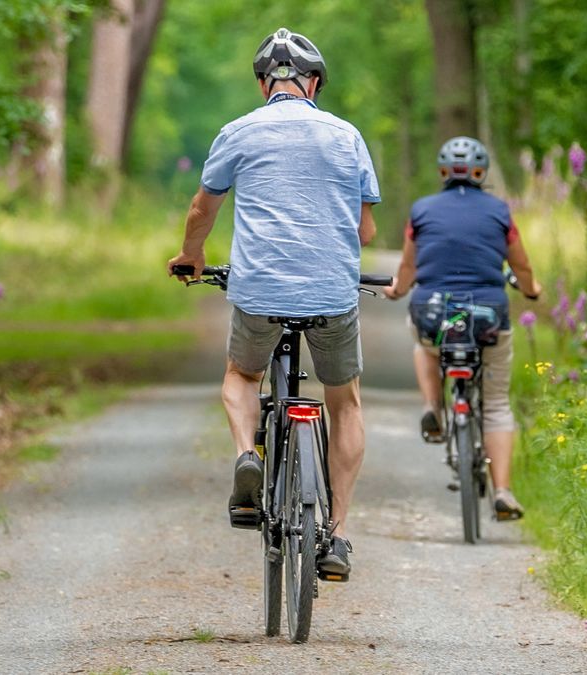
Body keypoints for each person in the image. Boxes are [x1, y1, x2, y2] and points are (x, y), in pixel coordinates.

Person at [167, 28, 380, 578]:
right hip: (333, 292)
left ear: (264, 84)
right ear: (314, 83)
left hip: (259, 290)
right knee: (346, 401)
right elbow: (367, 228)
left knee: (241, 375)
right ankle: (336, 536)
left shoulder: (238, 131)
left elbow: (201, 210)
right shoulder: (346, 135)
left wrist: (192, 256)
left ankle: (247, 455)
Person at [383, 136, 540, 520]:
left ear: (442, 172)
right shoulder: (501, 211)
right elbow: (520, 266)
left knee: (423, 342)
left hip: (434, 313)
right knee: (498, 404)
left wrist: (398, 290)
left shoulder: (421, 210)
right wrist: (533, 290)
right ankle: (502, 491)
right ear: (481, 172)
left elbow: (408, 268)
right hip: (488, 316)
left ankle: (433, 406)